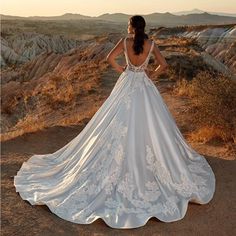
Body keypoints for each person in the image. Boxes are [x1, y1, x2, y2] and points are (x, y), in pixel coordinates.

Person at [14, 15, 215, 229]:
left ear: (131, 27)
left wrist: (123, 71)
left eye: (128, 25)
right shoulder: (151, 44)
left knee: (113, 123)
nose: (127, 27)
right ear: (143, 28)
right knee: (151, 126)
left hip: (127, 82)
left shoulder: (125, 42)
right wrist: (151, 74)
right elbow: (163, 64)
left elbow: (110, 58)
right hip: (144, 86)